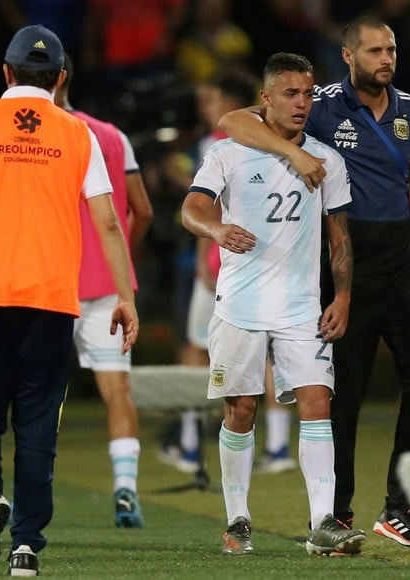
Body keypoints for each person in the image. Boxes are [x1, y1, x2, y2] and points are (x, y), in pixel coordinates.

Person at [219, 14, 410, 550]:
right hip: (344, 264)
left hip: (400, 263)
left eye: (392, 50)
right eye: (376, 51)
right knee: (345, 395)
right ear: (349, 56)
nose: (387, 59)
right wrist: (292, 151)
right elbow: (233, 122)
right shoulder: (323, 103)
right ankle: (332, 514)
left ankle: (399, 508)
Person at [0, 25, 139, 576]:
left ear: (5, 72)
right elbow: (109, 222)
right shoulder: (75, 133)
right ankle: (25, 546)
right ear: (61, 78)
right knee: (39, 423)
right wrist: (124, 296)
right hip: (51, 302)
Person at [181, 52, 366, 556]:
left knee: (318, 403)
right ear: (265, 99)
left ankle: (323, 522)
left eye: (307, 93)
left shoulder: (329, 160)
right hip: (239, 304)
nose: (301, 103)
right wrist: (217, 227)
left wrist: (344, 294)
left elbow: (339, 237)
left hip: (301, 307)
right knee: (240, 411)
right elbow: (192, 208)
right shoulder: (230, 153)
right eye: (290, 93)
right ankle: (237, 520)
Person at [161, 72, 297, 475]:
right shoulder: (282, 143)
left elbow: (208, 206)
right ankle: (275, 445)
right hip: (268, 262)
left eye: (210, 99)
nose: (205, 108)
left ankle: (189, 443)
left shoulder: (217, 144)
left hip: (223, 262)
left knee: (195, 348)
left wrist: (206, 258)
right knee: (270, 356)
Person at [54, 53, 153, 528]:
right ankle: (126, 491)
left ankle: (32, 492)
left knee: (36, 395)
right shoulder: (112, 136)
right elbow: (143, 209)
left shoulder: (35, 137)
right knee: (118, 391)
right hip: (108, 289)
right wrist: (119, 262)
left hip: (49, 284)